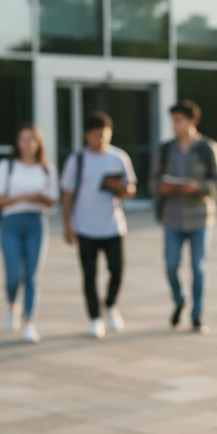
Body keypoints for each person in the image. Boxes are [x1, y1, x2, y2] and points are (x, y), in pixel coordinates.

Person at [149, 99, 217, 334]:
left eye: (179, 120)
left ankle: (197, 315)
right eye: (173, 121)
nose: (175, 125)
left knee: (199, 269)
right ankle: (179, 300)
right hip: (172, 218)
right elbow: (152, 181)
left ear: (192, 121)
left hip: (200, 218)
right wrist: (160, 187)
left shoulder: (207, 148)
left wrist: (199, 187)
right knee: (171, 266)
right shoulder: (166, 149)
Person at [62, 111, 137, 339]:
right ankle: (95, 318)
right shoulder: (77, 160)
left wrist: (120, 188)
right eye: (95, 134)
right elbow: (67, 194)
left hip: (113, 225)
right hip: (85, 226)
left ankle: (110, 305)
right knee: (89, 275)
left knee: (117, 269)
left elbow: (131, 188)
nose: (100, 139)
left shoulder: (119, 157)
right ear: (87, 135)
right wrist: (67, 224)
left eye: (104, 134)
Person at [0, 123, 58, 343]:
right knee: (13, 277)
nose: (27, 144)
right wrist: (22, 198)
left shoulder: (47, 169)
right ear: (17, 143)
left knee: (32, 276)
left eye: (31, 139)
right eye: (23, 139)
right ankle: (12, 306)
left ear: (39, 143)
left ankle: (29, 321)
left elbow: (52, 200)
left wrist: (41, 199)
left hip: (36, 223)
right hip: (11, 223)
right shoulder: (6, 166)